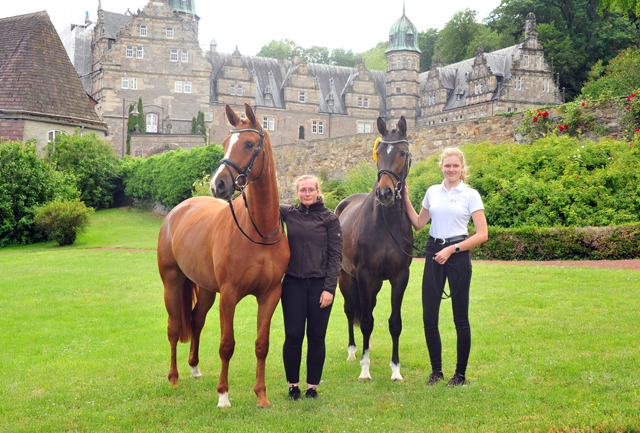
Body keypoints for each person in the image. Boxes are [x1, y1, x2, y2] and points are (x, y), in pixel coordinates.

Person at [403, 147, 488, 387]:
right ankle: (436, 372)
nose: (451, 169)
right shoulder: (432, 192)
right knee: (429, 317)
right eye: (447, 165)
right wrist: (407, 199)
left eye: (455, 166)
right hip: (433, 250)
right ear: (441, 166)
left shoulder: (471, 195)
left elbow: (482, 234)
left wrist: (453, 249)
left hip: (457, 255)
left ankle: (460, 375)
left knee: (460, 318)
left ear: (462, 168)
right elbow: (419, 223)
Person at [279, 175, 343, 400]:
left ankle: (312, 387)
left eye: (310, 190)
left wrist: (329, 289)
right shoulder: (287, 213)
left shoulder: (330, 218)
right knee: (293, 335)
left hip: (320, 286)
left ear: (318, 191)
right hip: (293, 284)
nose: (306, 193)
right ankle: (293, 385)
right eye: (302, 190)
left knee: (316, 337)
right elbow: (263, 205)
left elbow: (336, 256)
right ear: (297, 192)